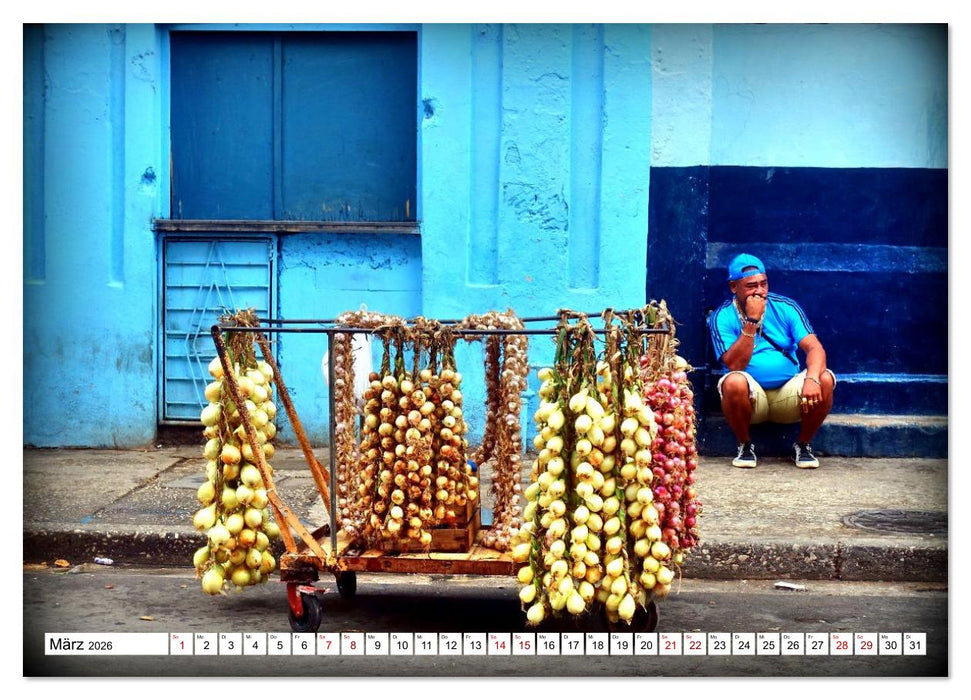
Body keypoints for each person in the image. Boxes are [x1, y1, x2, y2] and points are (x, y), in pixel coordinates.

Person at [707, 253, 836, 468]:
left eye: (763, 284)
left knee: (824, 378)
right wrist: (752, 321)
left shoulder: (785, 307)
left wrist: (812, 379)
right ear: (733, 287)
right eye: (751, 286)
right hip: (751, 399)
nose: (759, 291)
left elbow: (815, 348)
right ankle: (745, 445)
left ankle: (803, 446)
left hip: (789, 394)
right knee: (733, 382)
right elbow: (734, 365)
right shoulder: (722, 316)